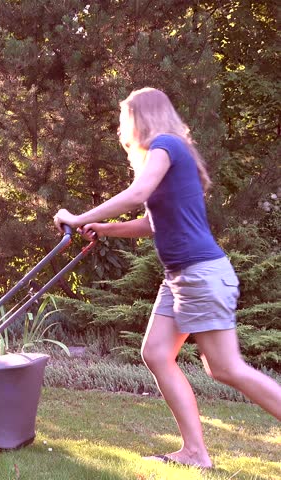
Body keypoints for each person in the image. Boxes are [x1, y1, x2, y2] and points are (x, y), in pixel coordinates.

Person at [53, 87, 281, 469]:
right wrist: (103, 229)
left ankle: (196, 451)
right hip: (181, 276)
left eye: (125, 118)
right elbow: (151, 222)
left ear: (140, 117)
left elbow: (137, 193)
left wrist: (77, 217)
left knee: (225, 368)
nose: (122, 128)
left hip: (200, 274)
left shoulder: (166, 144)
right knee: (157, 353)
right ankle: (194, 452)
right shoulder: (170, 152)